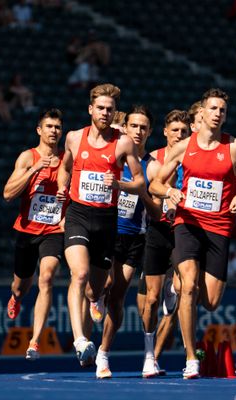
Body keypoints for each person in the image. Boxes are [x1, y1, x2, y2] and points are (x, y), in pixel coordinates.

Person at [150, 88, 236, 379]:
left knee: (210, 302)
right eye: (213, 108)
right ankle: (190, 358)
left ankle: (182, 291)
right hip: (187, 224)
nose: (217, 114)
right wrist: (171, 191)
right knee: (189, 287)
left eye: (222, 110)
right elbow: (155, 185)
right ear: (202, 113)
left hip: (219, 228)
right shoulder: (183, 147)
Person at [56, 83, 145, 368]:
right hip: (79, 214)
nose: (106, 113)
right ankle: (80, 341)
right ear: (90, 109)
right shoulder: (73, 138)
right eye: (101, 108)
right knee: (78, 274)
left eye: (111, 109)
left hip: (107, 220)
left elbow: (141, 182)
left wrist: (119, 183)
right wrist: (61, 187)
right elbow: (65, 167)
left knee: (95, 289)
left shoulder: (123, 143)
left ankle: (96, 301)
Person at [96, 105, 161, 379]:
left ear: (149, 132)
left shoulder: (153, 166)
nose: (138, 131)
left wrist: (140, 190)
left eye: (143, 127)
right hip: (108, 231)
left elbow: (156, 212)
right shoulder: (113, 155)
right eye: (133, 126)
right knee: (106, 284)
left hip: (135, 236)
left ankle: (103, 354)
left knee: (118, 299)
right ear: (126, 128)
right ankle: (93, 296)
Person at [2, 108, 66, 360]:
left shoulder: (66, 159)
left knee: (47, 277)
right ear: (39, 130)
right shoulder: (27, 157)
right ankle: (16, 297)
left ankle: (35, 341)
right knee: (21, 286)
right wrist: (34, 170)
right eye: (49, 126)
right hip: (27, 231)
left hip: (54, 230)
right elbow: (7, 194)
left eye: (57, 127)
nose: (54, 131)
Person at [138, 109, 191, 379]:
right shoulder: (154, 160)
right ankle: (149, 352)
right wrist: (162, 201)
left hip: (182, 232)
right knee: (150, 299)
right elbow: (145, 193)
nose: (179, 135)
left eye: (184, 131)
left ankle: (154, 357)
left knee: (181, 290)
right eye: (175, 131)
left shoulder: (192, 159)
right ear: (165, 132)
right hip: (155, 231)